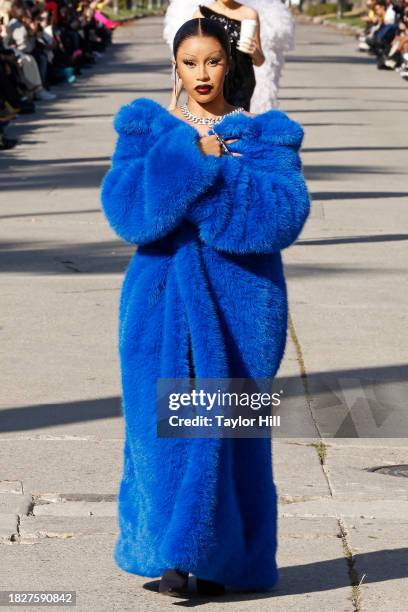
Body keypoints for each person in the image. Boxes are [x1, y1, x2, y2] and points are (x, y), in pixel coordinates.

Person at [100, 16, 310, 596]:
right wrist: (192, 160)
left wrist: (211, 173)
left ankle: (222, 559)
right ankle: (172, 554)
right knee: (158, 431)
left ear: (230, 62)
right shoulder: (146, 130)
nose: (201, 74)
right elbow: (131, 213)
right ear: (175, 65)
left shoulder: (267, 137)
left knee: (231, 433)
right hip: (158, 304)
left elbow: (276, 218)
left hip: (242, 305)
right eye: (189, 62)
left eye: (212, 61)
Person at [164, 0, 295, 112]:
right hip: (212, 79)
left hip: (242, 82)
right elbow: (189, 61)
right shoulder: (201, 14)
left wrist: (253, 51)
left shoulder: (249, 14)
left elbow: (260, 61)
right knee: (209, 127)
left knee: (235, 130)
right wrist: (173, 101)